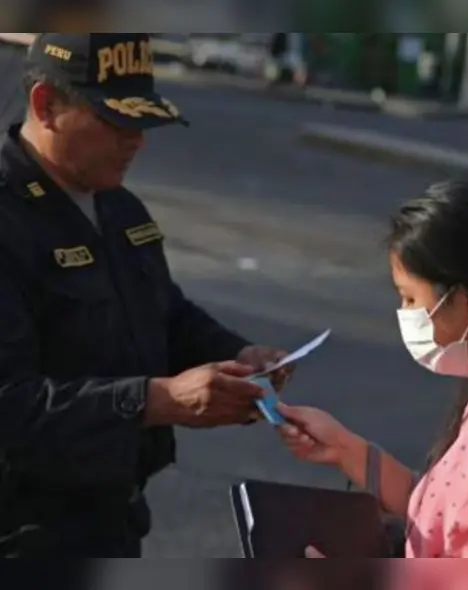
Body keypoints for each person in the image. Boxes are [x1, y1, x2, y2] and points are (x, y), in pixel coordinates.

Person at [0, 33, 289, 557]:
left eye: (144, 121)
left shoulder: (117, 205)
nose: (136, 141)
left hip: (112, 514)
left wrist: (236, 357)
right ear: (46, 105)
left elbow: (164, 312)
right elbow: (11, 404)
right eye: (116, 122)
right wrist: (159, 400)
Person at [278, 181, 468, 558]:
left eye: (410, 297)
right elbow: (445, 515)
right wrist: (345, 449)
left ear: (467, 300)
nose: (404, 313)